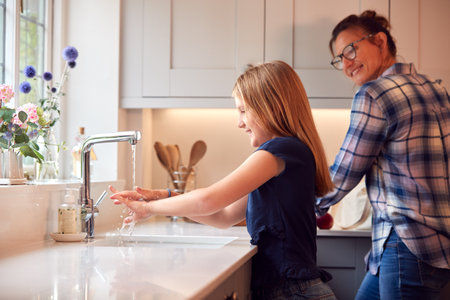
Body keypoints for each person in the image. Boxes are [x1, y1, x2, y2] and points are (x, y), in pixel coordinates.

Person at [110, 60, 337, 300]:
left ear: (269, 106)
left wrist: (148, 208)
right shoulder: (288, 152)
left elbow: (210, 200)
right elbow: (223, 216)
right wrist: (166, 196)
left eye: (243, 110)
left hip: (294, 293)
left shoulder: (280, 150)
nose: (239, 123)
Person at [316, 10, 450, 300]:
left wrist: (302, 204)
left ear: (380, 40)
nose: (346, 64)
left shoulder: (374, 94)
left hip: (407, 244)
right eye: (339, 58)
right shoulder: (437, 89)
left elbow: (342, 175)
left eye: (351, 49)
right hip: (438, 247)